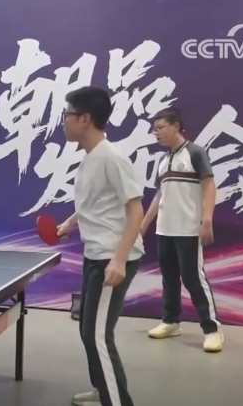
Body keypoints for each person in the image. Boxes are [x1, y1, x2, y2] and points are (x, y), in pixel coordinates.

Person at [57, 86, 144, 406]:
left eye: (66, 115)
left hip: (111, 258)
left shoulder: (112, 158)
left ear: (85, 119)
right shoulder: (89, 158)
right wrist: (70, 223)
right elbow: (95, 203)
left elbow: (135, 211)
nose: (63, 122)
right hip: (96, 254)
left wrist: (119, 261)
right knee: (87, 330)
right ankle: (102, 390)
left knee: (97, 336)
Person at [140, 107, 223, 352]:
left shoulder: (195, 153)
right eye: (154, 129)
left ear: (176, 126)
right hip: (165, 230)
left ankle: (212, 329)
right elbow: (160, 194)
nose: (156, 133)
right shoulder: (162, 161)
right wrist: (144, 224)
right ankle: (171, 322)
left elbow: (209, 185)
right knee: (169, 277)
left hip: (188, 229)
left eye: (160, 128)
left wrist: (207, 220)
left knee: (193, 278)